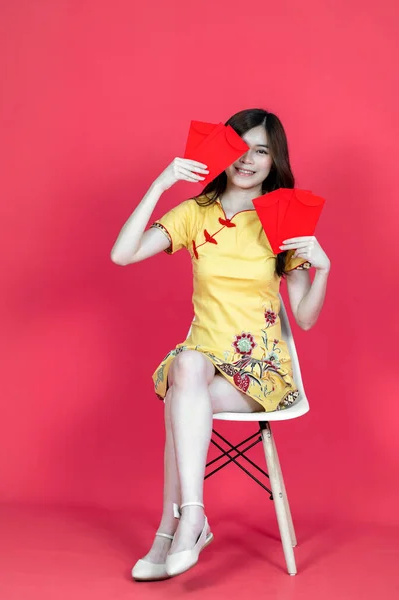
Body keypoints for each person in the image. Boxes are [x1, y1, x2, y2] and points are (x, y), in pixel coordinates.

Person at [110, 108, 331, 580]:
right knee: (186, 370)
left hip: (261, 374)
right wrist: (161, 183)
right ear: (224, 151)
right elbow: (122, 254)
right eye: (241, 148)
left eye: (262, 151)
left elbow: (306, 321)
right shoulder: (196, 214)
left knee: (180, 400)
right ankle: (192, 517)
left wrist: (323, 269)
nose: (248, 160)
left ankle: (172, 530)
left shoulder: (281, 218)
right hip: (203, 362)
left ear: (275, 161)